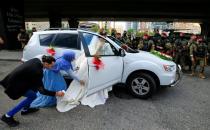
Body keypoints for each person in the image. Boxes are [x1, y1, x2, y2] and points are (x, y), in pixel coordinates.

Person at [0, 55, 65, 127]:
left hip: (14, 79)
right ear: (46, 64)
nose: (52, 67)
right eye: (51, 66)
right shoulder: (38, 71)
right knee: (33, 96)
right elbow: (42, 91)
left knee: (34, 92)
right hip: (15, 85)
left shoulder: (36, 60)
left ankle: (25, 109)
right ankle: (7, 116)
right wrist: (56, 93)